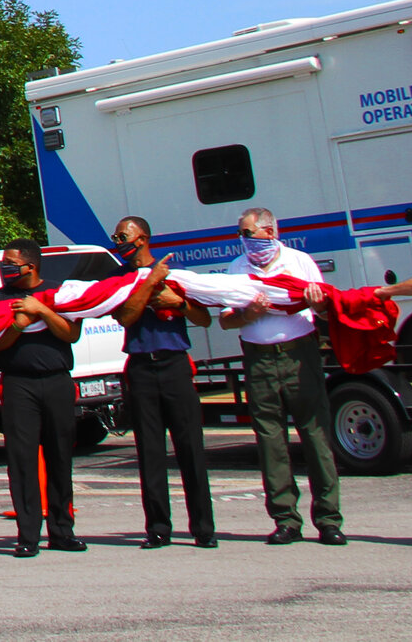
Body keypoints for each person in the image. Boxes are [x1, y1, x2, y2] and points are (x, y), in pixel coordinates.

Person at [222, 207, 344, 546]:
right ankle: (285, 519)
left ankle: (329, 519)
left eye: (249, 233)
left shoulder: (299, 261)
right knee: (270, 441)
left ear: (270, 231)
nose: (245, 241)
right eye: (241, 235)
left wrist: (317, 302)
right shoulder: (237, 269)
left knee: (316, 435)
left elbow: (324, 309)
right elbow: (226, 320)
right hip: (259, 361)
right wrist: (249, 314)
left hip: (299, 356)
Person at [111, 217, 217, 549]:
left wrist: (179, 304)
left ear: (142, 238)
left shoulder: (173, 273)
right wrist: (147, 284)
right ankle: (158, 527)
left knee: (190, 449)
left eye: (123, 236)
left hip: (174, 365)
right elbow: (125, 316)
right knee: (150, 451)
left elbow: (204, 318)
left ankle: (203, 527)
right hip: (141, 367)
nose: (119, 242)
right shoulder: (120, 278)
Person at [0, 239, 84, 557]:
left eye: (10, 263)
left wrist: (42, 309)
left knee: (60, 457)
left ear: (30, 266)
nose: (5, 269)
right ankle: (28, 534)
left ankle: (62, 531)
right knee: (22, 462)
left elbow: (72, 333)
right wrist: (19, 325)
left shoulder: (59, 293)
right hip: (19, 385)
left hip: (56, 381)